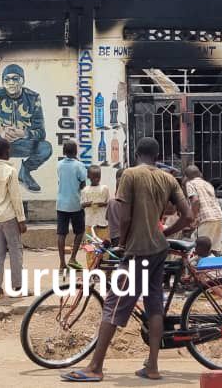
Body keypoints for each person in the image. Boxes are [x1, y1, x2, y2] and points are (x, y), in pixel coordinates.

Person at [60, 137, 193, 383]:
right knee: (154, 306)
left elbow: (125, 217)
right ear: (157, 156)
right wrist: (165, 233)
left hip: (137, 251)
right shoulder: (167, 179)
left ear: (136, 154)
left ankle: (95, 367)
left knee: (113, 304)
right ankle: (152, 365)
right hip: (158, 251)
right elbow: (187, 217)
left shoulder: (130, 175)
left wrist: (121, 243)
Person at [0, 64, 53, 195]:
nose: (11, 83)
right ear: (3, 82)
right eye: (7, 79)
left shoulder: (33, 98)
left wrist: (24, 133)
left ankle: (25, 173)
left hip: (22, 145)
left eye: (15, 79)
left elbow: (41, 132)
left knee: (46, 147)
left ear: (22, 80)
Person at [0, 137, 27, 299]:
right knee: (16, 251)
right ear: (7, 151)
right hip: (10, 216)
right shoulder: (10, 171)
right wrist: (21, 219)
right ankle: (17, 286)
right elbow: (16, 197)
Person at [57, 140, 87, 273]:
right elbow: (83, 182)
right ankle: (73, 258)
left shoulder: (59, 165)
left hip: (61, 204)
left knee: (61, 234)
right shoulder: (79, 165)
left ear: (64, 152)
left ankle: (62, 263)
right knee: (79, 232)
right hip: (75, 204)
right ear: (76, 152)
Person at [185, 165, 222, 255]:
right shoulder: (207, 184)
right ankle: (219, 267)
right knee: (215, 248)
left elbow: (195, 201)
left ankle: (198, 267)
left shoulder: (190, 184)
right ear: (200, 174)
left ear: (186, 177)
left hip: (206, 219)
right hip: (218, 217)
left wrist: (193, 219)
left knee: (199, 247)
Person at [80, 165, 109, 269]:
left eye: (97, 177)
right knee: (90, 248)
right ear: (88, 177)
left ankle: (104, 269)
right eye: (93, 177)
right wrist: (87, 204)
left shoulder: (104, 189)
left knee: (104, 248)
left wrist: (103, 204)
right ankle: (91, 269)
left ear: (100, 177)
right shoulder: (85, 190)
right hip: (89, 223)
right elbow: (82, 204)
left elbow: (107, 203)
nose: (96, 179)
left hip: (102, 223)